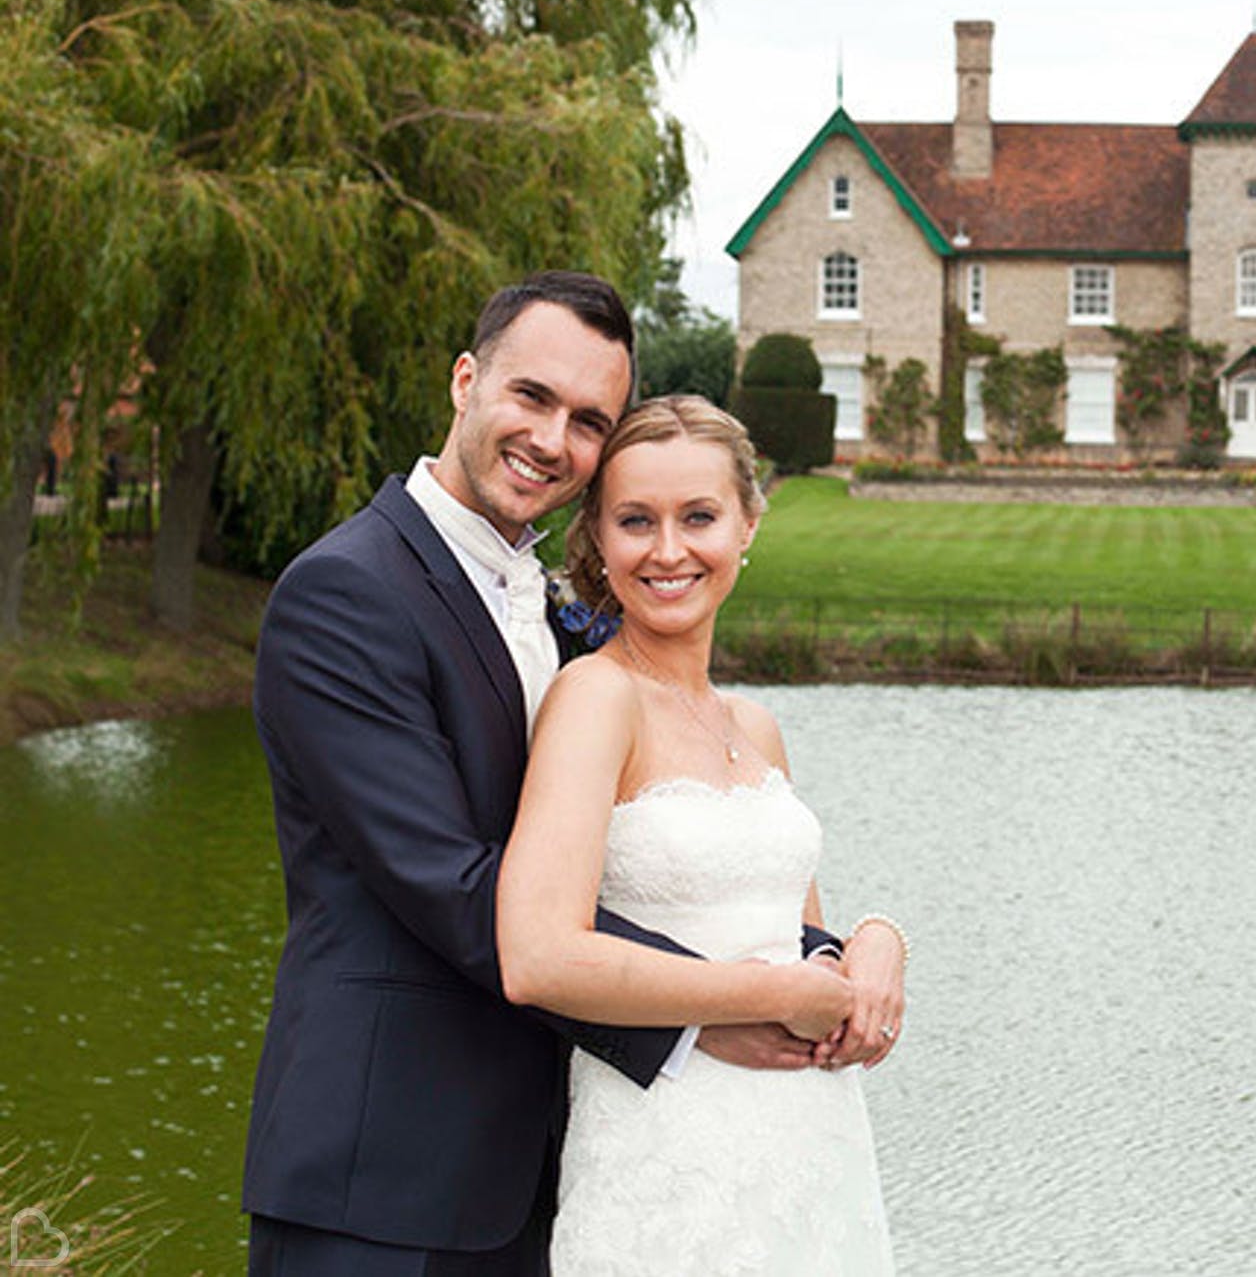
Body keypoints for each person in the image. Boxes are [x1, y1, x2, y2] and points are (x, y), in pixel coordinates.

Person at [243, 272, 850, 1274]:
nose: (549, 436)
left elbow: (650, 840)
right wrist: (712, 1011)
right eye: (531, 396)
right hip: (382, 1171)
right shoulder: (345, 595)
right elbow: (454, 884)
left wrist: (837, 950)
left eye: (586, 420)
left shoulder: (571, 620)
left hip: (558, 1165)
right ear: (466, 379)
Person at [495, 396, 905, 1273]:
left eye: (700, 517)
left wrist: (874, 947)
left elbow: (803, 946)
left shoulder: (754, 728)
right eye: (637, 521)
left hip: (810, 1145)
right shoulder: (594, 700)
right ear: (597, 542)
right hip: (669, 1150)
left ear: (749, 524)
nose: (669, 550)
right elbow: (537, 956)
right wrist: (760, 998)